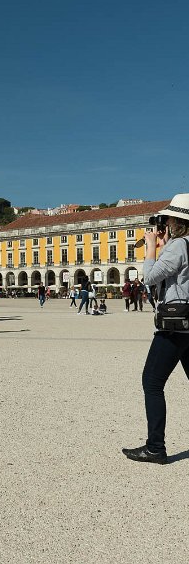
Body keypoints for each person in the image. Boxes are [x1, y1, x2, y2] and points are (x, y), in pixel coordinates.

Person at [123, 194, 189, 465]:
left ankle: (155, 448)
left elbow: (150, 277)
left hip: (174, 325)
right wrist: (164, 246)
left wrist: (151, 247)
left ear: (177, 220)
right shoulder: (181, 246)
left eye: (169, 219)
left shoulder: (179, 246)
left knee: (152, 383)